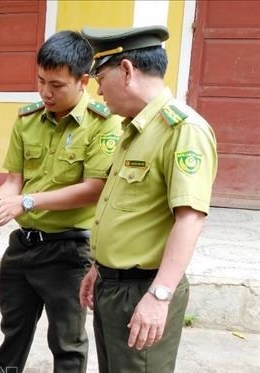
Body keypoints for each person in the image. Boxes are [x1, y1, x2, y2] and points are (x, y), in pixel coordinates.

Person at [0, 31, 122, 372]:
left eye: (57, 85)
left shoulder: (104, 124)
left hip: (69, 251)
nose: (46, 92)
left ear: (83, 81)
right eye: (41, 81)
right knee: (12, 332)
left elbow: (95, 188)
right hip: (23, 248)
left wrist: (26, 202)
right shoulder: (28, 120)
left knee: (67, 343)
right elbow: (14, 180)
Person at [78, 26, 218, 373]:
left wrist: (159, 296)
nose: (98, 89)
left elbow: (190, 218)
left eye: (100, 76)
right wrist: (100, 266)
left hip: (144, 289)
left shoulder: (183, 130)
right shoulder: (134, 129)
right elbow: (128, 210)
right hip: (114, 286)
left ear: (126, 70)